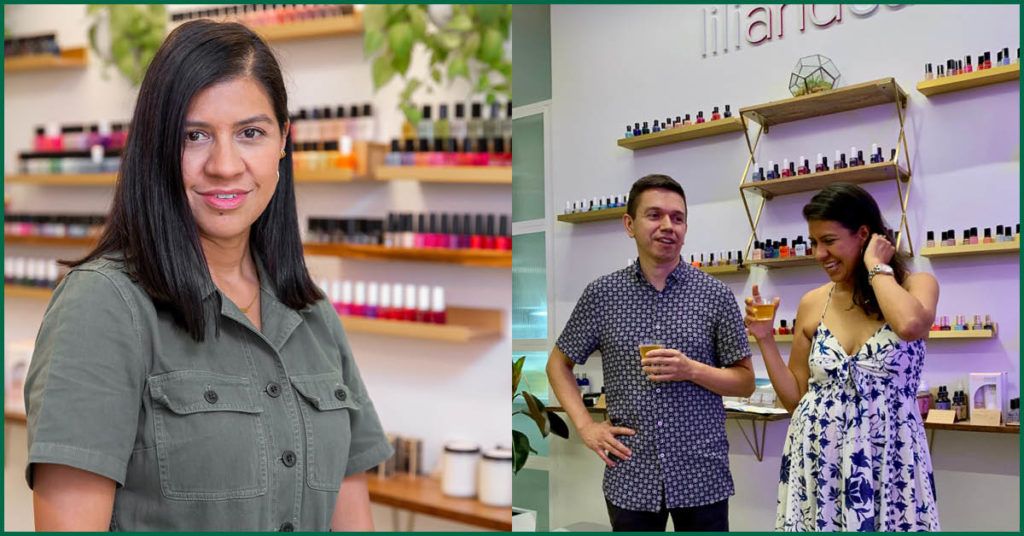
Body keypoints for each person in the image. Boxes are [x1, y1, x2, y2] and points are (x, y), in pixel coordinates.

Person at [25, 20, 392, 531]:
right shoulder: (101, 306)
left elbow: (353, 518)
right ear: (155, 146)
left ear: (284, 141)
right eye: (194, 135)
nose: (224, 165)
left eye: (250, 133)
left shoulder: (312, 314)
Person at [547, 174, 755, 532]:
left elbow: (745, 382)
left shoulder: (715, 295)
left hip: (700, 473)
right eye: (654, 215)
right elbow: (558, 364)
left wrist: (691, 370)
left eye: (677, 217)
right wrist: (585, 427)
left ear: (686, 227)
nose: (667, 226)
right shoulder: (603, 295)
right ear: (629, 224)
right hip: (631, 473)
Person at [744, 183, 940, 531]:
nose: (819, 253)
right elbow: (794, 398)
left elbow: (910, 324)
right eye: (814, 242)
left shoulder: (915, 285)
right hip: (819, 456)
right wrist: (765, 339)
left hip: (891, 456)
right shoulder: (813, 302)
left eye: (829, 240)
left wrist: (876, 266)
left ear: (864, 235)